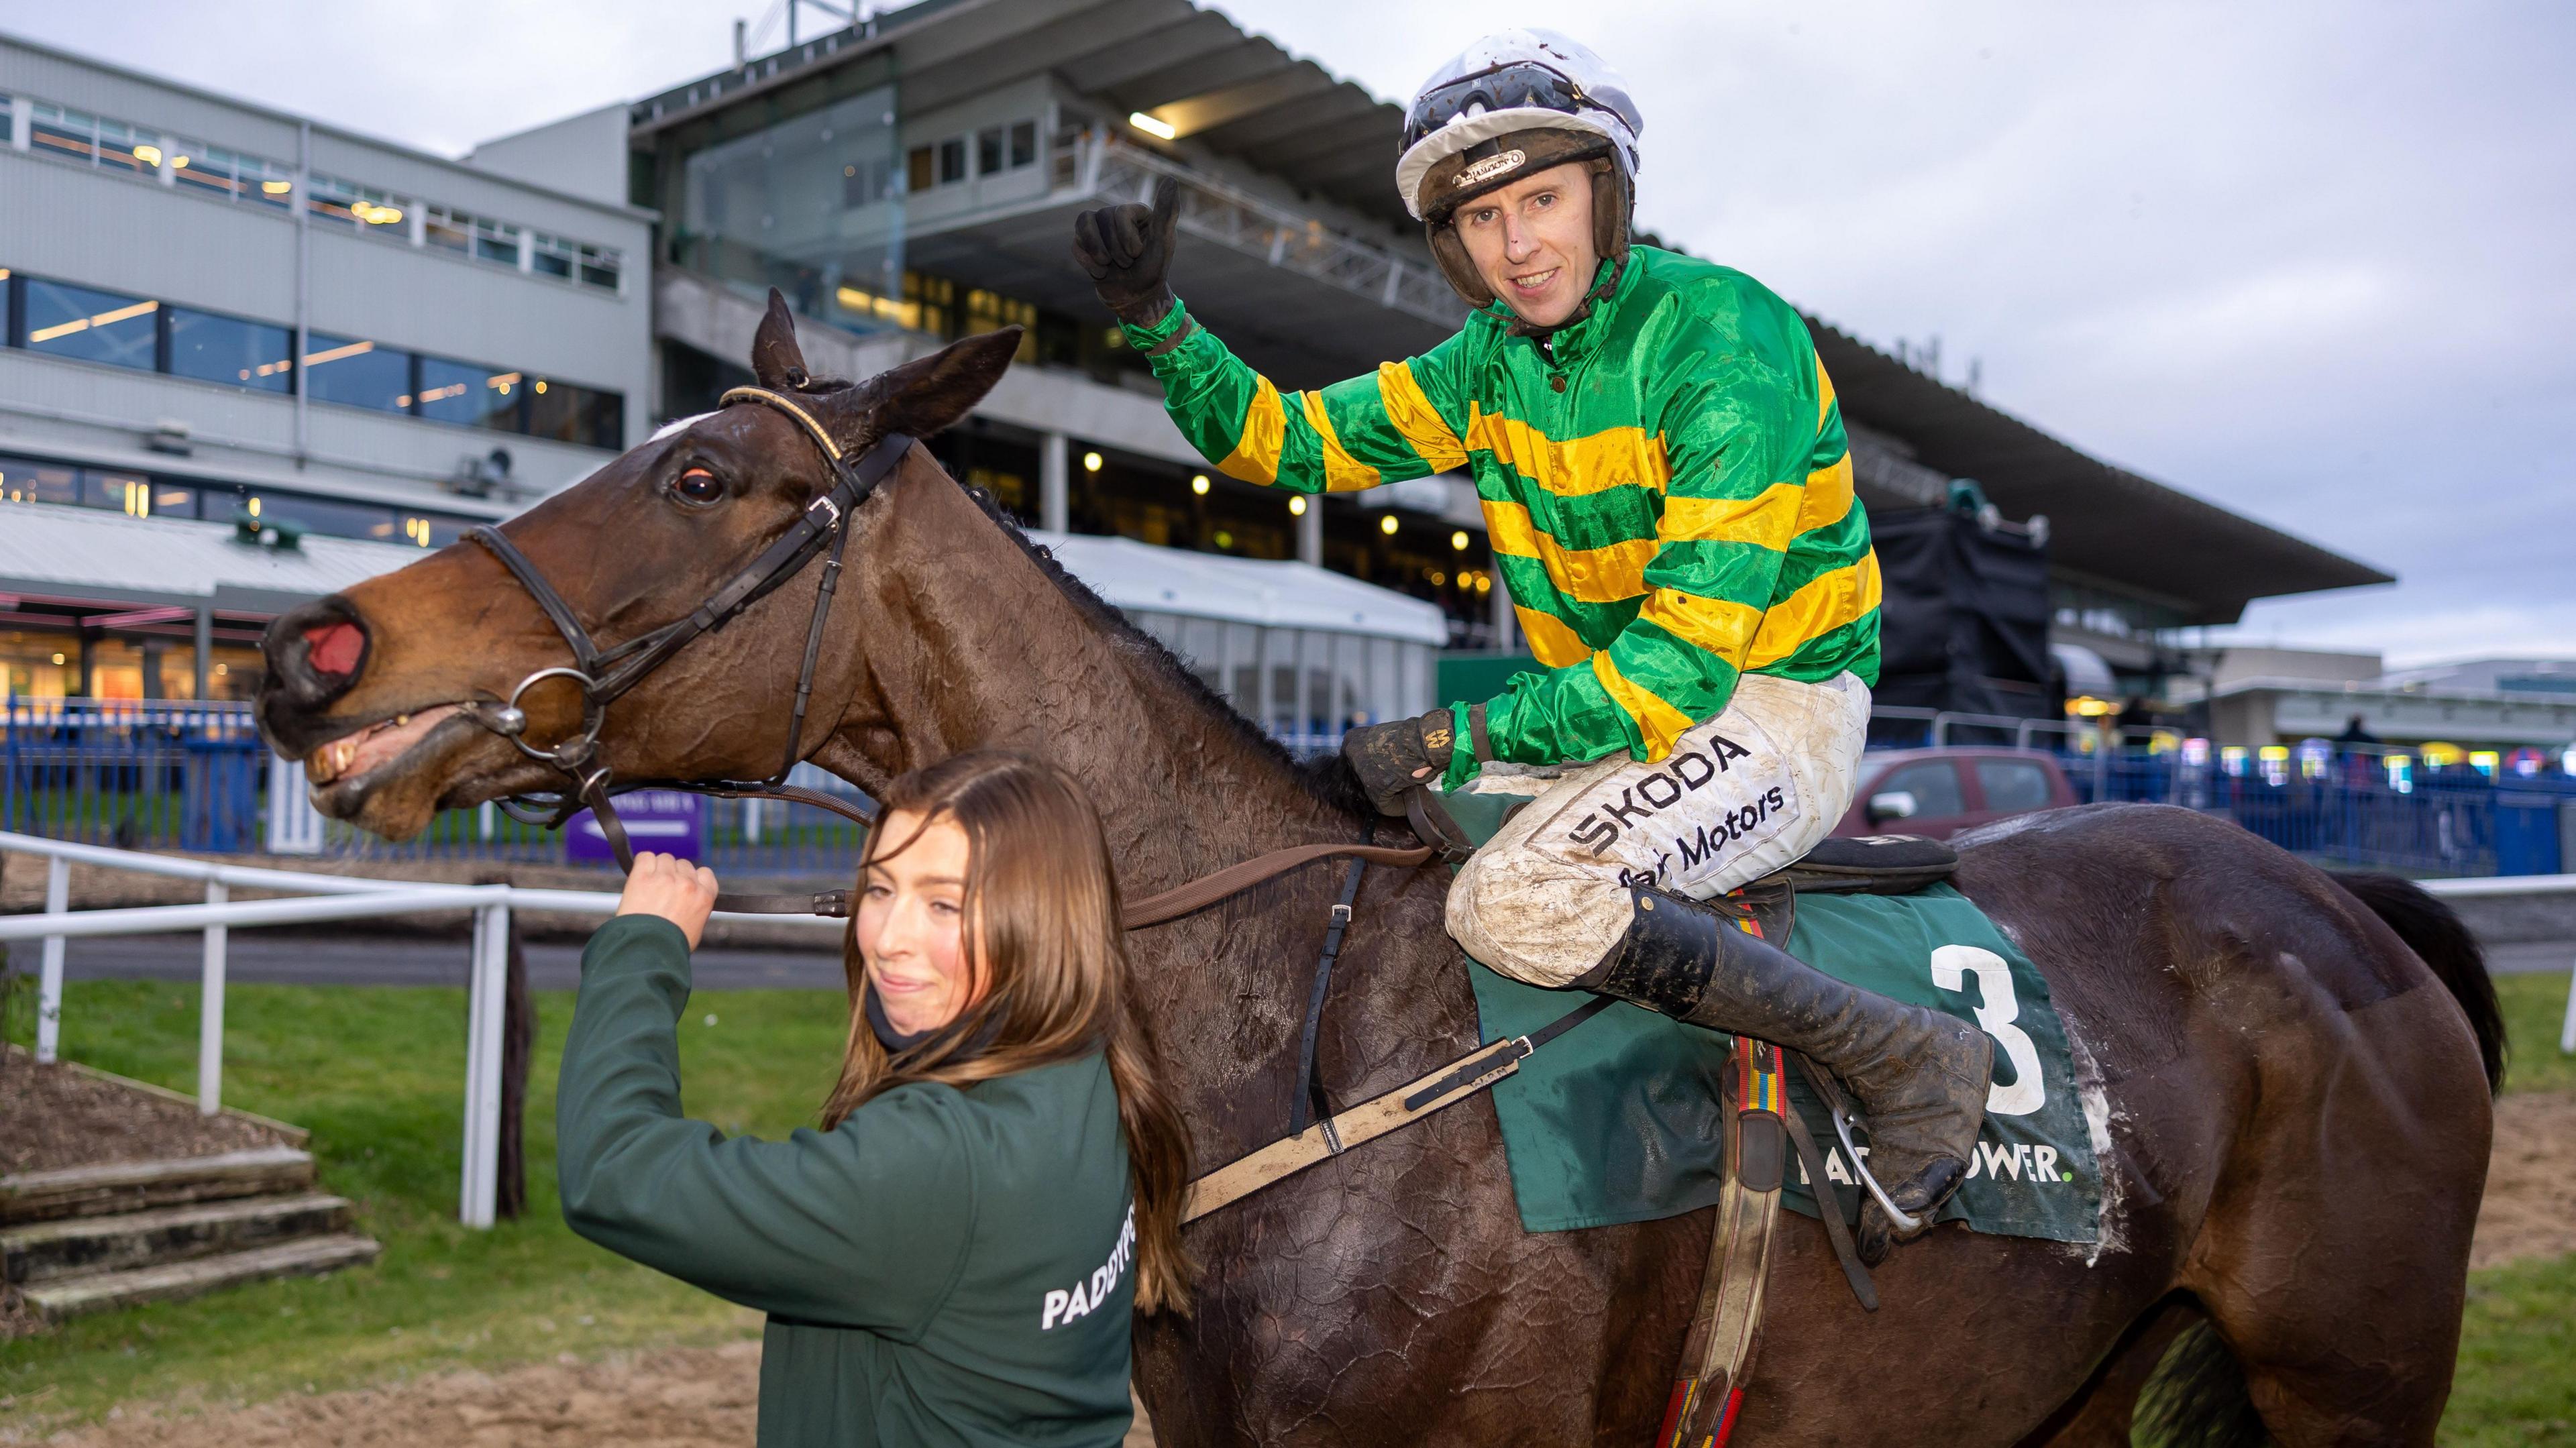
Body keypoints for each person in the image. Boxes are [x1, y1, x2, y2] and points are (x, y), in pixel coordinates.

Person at [1071, 29, 1988, 1247]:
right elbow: (1286, 443)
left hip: (1774, 700)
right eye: (1487, 218)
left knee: (1520, 900)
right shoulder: (1483, 367)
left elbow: (1678, 666)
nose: (1520, 245)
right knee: (1382, 836)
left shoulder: (1726, 338)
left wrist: (1466, 727)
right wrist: (1156, 319)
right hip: (1612, 713)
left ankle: (1906, 1053)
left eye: (1543, 199)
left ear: (1604, 198)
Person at [556, 753, 1193, 1447]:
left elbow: (613, 1169)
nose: (889, 939)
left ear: (1038, 922)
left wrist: (644, 944)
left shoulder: (935, 1161)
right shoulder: (1089, 1066)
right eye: (882, 889)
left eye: (943, 903)